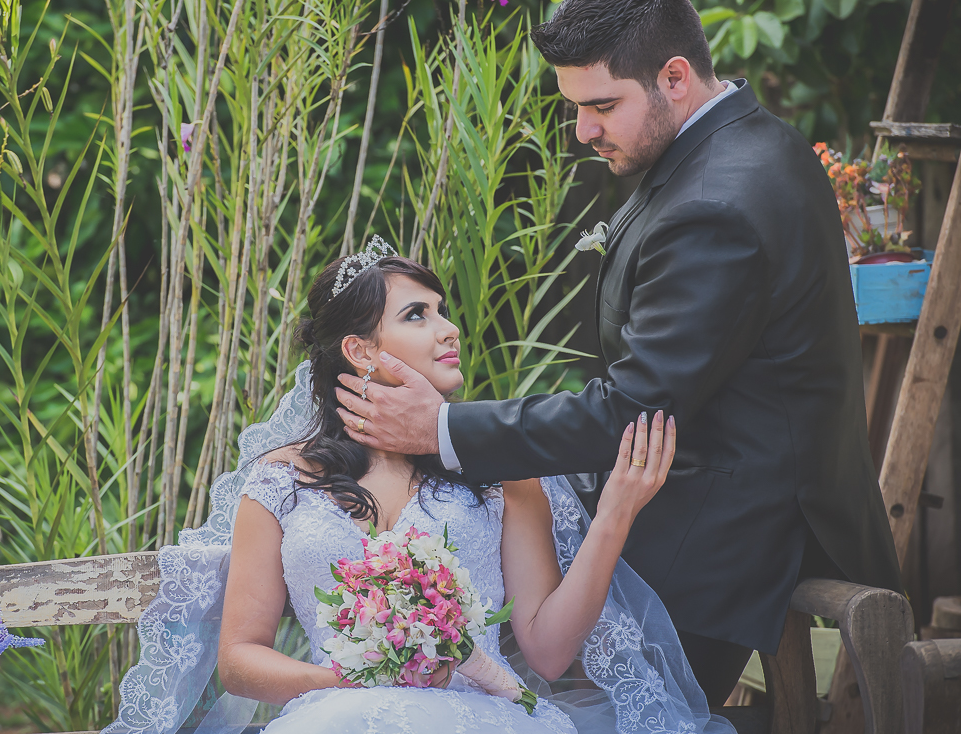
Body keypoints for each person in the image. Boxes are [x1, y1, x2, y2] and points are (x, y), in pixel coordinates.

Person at [330, 0, 902, 707]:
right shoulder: (751, 142)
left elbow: (633, 407)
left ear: (674, 77)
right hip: (695, 487)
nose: (582, 130)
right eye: (574, 107)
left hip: (723, 535)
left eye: (601, 105)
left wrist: (440, 428)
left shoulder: (719, 205)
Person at [106, 239, 734, 734]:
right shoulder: (282, 480)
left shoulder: (505, 473)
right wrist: (349, 682)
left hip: (480, 716)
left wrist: (614, 517)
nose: (449, 328)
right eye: (417, 314)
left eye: (442, 310)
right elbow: (240, 660)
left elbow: (546, 652)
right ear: (359, 349)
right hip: (333, 714)